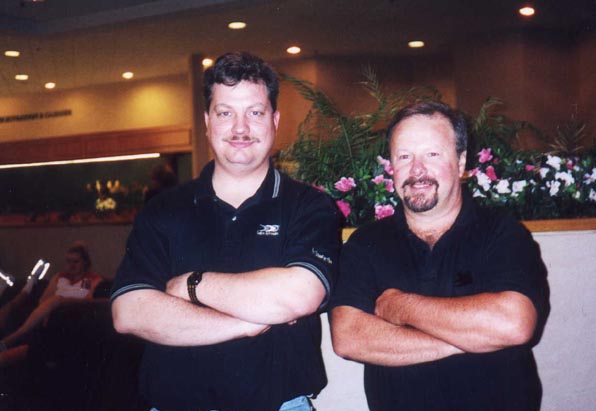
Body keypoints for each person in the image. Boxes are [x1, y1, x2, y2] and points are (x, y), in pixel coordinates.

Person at [110, 52, 341, 411]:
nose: (240, 129)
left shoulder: (310, 207)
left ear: (275, 120)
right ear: (207, 121)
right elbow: (129, 312)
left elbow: (298, 296)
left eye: (255, 112)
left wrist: (191, 285)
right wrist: (246, 323)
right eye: (225, 113)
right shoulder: (163, 210)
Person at [329, 100, 549, 411]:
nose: (417, 170)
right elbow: (349, 338)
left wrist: (400, 306)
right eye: (404, 156)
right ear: (391, 167)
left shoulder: (502, 234)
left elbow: (513, 324)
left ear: (460, 162)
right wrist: (470, 338)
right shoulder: (366, 243)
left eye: (432, 154)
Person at [0, 242, 104, 363]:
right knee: (11, 308)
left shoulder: (93, 278)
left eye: (76, 262)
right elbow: (43, 299)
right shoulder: (60, 276)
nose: (71, 265)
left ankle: (13, 339)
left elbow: (90, 300)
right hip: (51, 311)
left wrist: (64, 300)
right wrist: (47, 311)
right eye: (68, 261)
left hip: (72, 310)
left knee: (57, 299)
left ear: (85, 263)